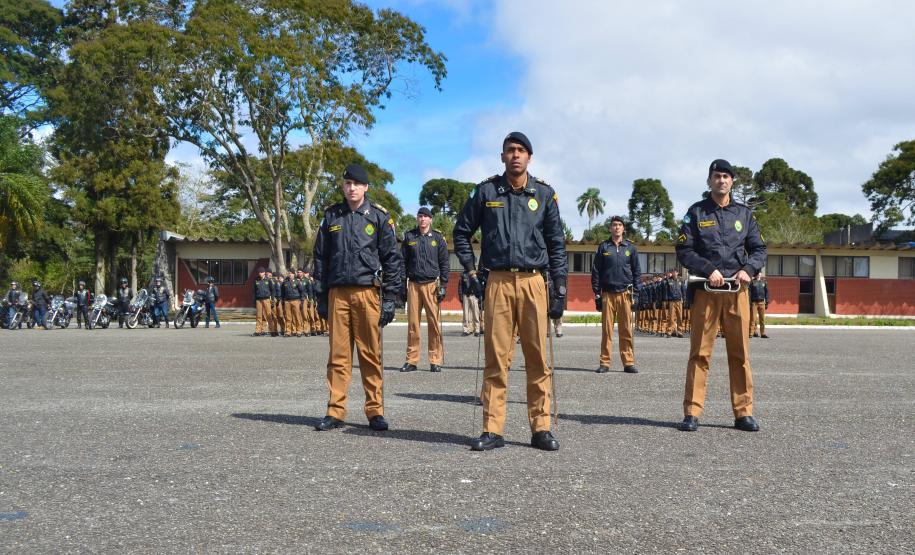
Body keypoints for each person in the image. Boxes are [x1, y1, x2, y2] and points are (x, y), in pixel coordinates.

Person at [453, 131, 567, 452]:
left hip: (533, 282)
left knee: (537, 359)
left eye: (521, 150)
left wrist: (559, 289)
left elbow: (557, 245)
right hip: (498, 282)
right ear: (502, 156)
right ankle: (492, 429)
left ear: (529, 156)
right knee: (496, 358)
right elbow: (461, 232)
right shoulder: (486, 191)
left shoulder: (544, 194)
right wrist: (471, 271)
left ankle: (541, 428)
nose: (515, 155)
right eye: (510, 150)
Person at [676, 159, 767, 433]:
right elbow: (684, 250)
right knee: (700, 354)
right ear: (709, 181)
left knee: (740, 354)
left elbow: (759, 249)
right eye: (717, 176)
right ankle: (692, 412)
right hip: (706, 291)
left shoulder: (744, 214)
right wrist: (708, 269)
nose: (722, 180)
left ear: (732, 182)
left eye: (726, 176)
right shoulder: (696, 212)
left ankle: (743, 412)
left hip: (737, 292)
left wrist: (748, 270)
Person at [313, 163, 402, 432]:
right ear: (343, 186)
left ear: (365, 187)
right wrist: (321, 295)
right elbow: (320, 258)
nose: (351, 188)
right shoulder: (332, 217)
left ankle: (375, 411)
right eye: (347, 183)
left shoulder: (378, 217)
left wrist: (390, 297)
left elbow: (392, 259)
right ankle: (335, 410)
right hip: (338, 292)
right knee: (338, 356)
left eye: (356, 184)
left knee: (370, 355)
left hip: (367, 293)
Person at [400, 206, 450, 373]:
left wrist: (443, 286)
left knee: (434, 324)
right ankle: (411, 360)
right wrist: (402, 286)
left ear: (430, 219)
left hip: (431, 286)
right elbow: (402, 263)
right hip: (413, 285)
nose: (422, 219)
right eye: (420, 216)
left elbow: (444, 263)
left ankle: (435, 360)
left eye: (425, 216)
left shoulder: (437, 238)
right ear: (417, 219)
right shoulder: (409, 237)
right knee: (413, 325)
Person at [591, 215, 641, 374]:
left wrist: (636, 293)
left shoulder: (630, 248)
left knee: (626, 330)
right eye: (614, 225)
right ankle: (604, 363)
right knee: (607, 331)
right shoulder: (603, 247)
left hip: (625, 294)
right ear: (610, 228)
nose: (617, 227)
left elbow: (637, 271)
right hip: (607, 294)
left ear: (623, 228)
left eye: (619, 224)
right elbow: (596, 271)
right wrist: (597, 294)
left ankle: (628, 362)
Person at [458, 271, 482, 336]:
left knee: (476, 313)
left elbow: (479, 285)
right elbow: (460, 286)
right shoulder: (463, 274)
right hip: (465, 295)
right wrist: (460, 296)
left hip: (474, 295)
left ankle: (477, 330)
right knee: (465, 314)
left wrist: (479, 295)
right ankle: (466, 330)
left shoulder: (476, 273)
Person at [253, 267, 274, 336]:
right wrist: (254, 301)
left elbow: (272, 290)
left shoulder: (268, 280)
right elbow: (254, 291)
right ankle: (258, 331)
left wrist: (272, 299)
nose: (260, 273)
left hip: (266, 299)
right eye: (259, 272)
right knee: (259, 316)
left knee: (268, 315)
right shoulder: (256, 280)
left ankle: (272, 331)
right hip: (258, 300)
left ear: (264, 273)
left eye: (261, 272)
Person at [282, 270, 303, 337]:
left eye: (291, 273)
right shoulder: (285, 282)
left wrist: (301, 301)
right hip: (287, 301)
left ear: (294, 274)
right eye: (289, 273)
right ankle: (288, 331)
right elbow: (282, 292)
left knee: (297, 316)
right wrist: (283, 300)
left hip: (295, 300)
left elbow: (301, 291)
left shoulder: (297, 282)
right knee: (288, 317)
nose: (290, 275)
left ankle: (299, 331)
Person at [665, 270, 684, 338]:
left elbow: (683, 290)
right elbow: (666, 291)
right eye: (673, 272)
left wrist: (683, 298)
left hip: (679, 300)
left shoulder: (680, 280)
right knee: (671, 317)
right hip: (671, 301)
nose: (674, 273)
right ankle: (670, 331)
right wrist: (667, 300)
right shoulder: (668, 281)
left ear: (677, 273)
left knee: (680, 317)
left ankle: (680, 331)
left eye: (675, 272)